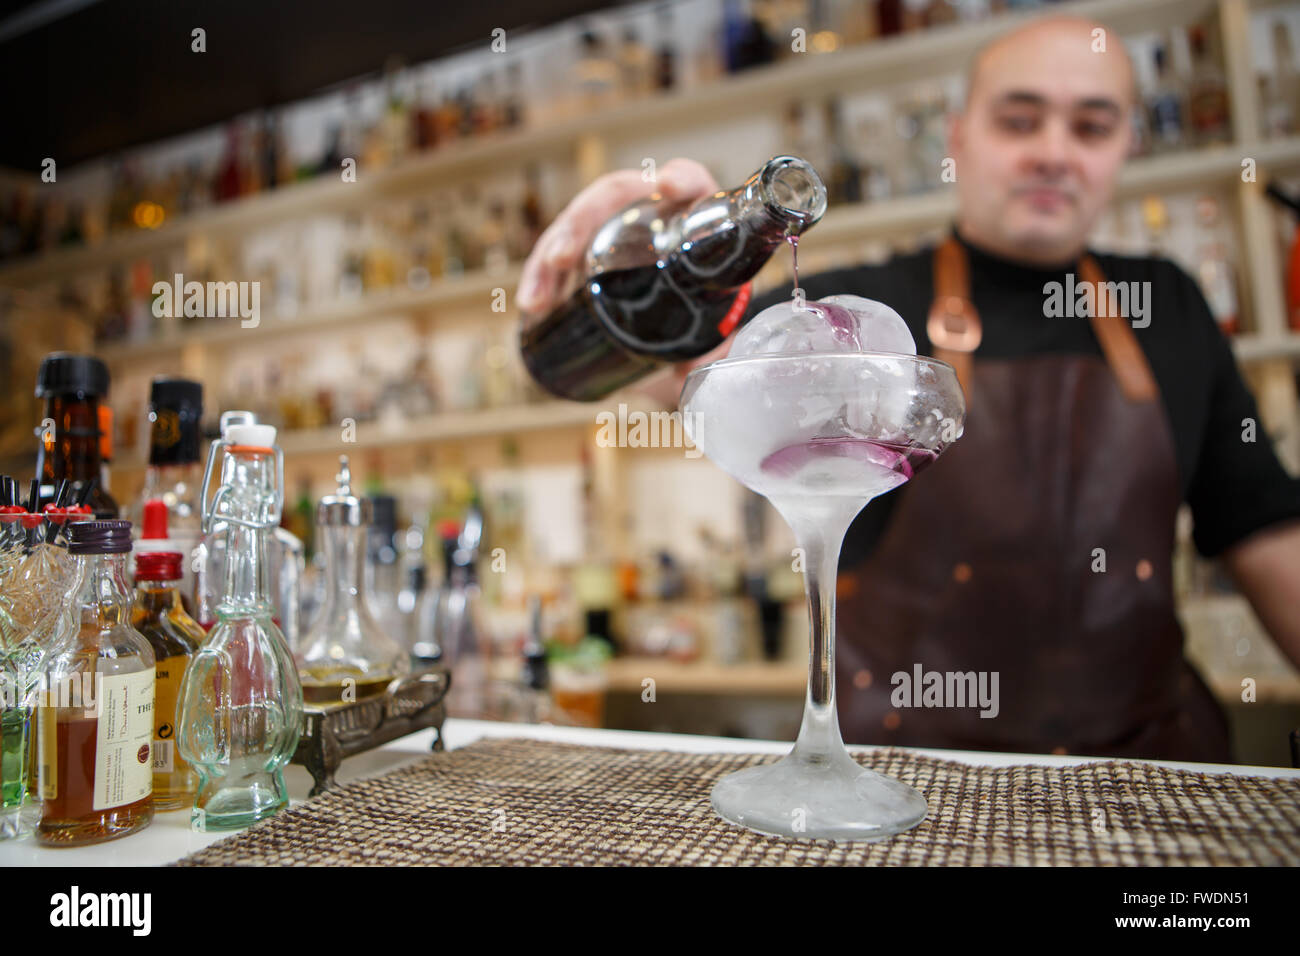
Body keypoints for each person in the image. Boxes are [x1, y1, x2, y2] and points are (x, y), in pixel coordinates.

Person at [517, 15, 1300, 763]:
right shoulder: (853, 313)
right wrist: (602, 274)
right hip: (908, 780)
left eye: (1091, 126)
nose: (1054, 153)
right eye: (1020, 121)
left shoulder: (1169, 304)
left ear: (1126, 144)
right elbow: (671, 369)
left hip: (1147, 781)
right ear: (959, 138)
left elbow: (1265, 533)